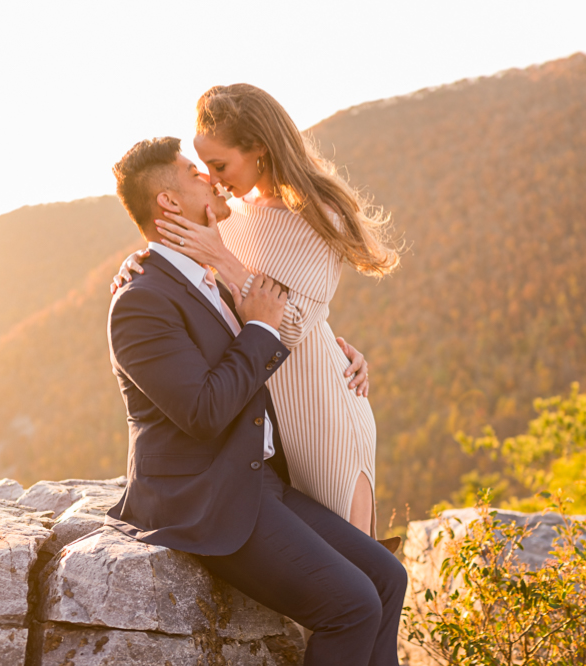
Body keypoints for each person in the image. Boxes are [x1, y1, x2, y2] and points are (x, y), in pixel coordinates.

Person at [105, 136, 406, 666]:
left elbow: (281, 336)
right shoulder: (141, 301)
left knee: (387, 577)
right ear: (169, 203)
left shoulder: (208, 278)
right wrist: (262, 328)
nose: (212, 178)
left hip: (258, 479)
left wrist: (338, 352)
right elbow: (202, 412)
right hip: (205, 497)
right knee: (353, 605)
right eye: (196, 172)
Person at [112, 84, 399, 537]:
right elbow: (202, 289)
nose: (211, 178)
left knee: (355, 568)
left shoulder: (319, 216)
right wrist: (143, 261)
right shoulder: (232, 214)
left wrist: (223, 260)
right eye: (203, 167)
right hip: (260, 422)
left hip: (319, 412)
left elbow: (289, 327)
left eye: (220, 165)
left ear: (259, 149)